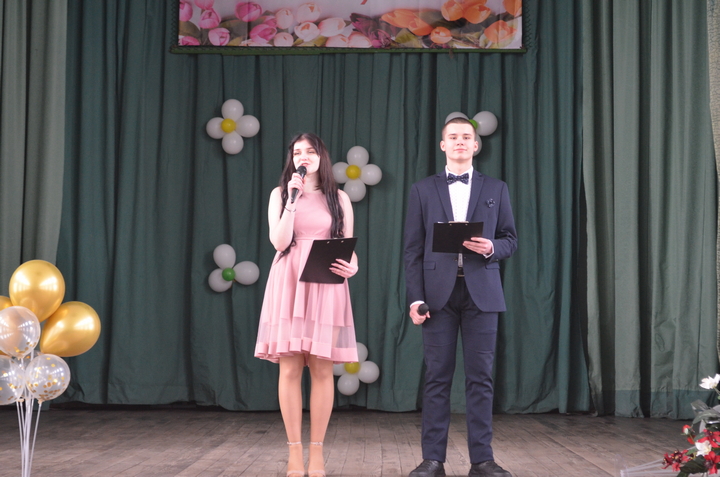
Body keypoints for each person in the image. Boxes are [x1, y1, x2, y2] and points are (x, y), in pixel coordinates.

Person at [404, 117, 517, 477]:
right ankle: (432, 460)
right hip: (437, 298)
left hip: (483, 294)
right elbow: (412, 251)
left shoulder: (496, 188)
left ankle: (482, 460)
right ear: (443, 145)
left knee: (481, 378)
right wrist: (415, 299)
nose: (459, 142)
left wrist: (491, 247)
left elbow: (511, 240)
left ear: (476, 145)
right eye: (453, 137)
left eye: (466, 137)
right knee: (437, 377)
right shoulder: (422, 189)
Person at [255, 133, 359, 477]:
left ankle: (317, 453)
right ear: (292, 159)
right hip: (289, 282)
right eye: (297, 152)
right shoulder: (280, 194)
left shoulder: (339, 198)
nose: (303, 156)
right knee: (289, 369)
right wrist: (292, 199)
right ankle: (294, 454)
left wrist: (353, 266)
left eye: (310, 151)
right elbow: (279, 241)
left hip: (326, 284)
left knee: (322, 370)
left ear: (321, 156)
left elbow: (347, 246)